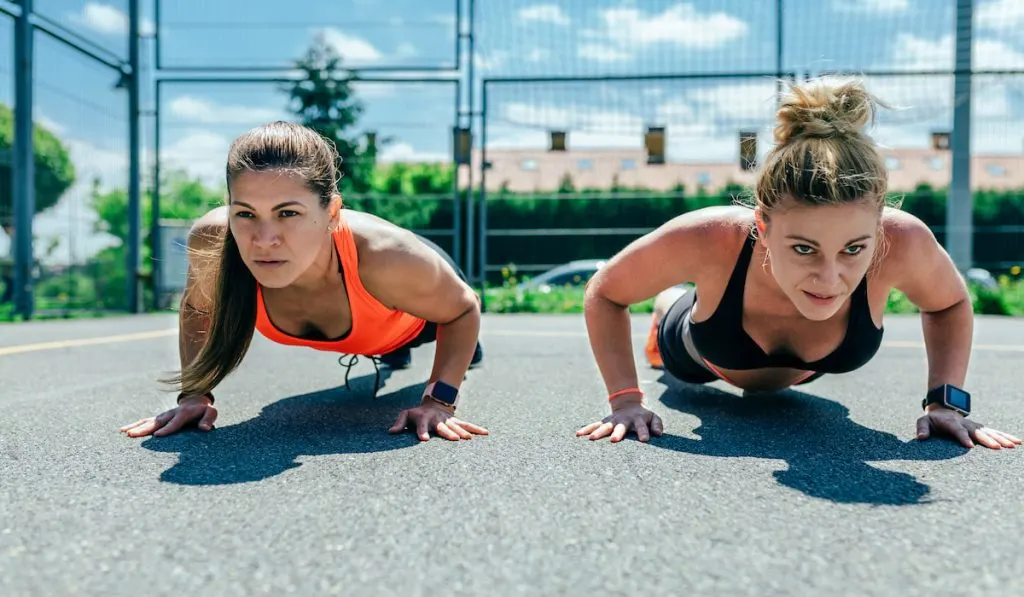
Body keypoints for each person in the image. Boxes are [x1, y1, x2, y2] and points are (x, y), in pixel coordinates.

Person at [576, 77, 1021, 451]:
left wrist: (946, 402)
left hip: (802, 375)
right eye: (804, 249)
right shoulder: (711, 237)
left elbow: (948, 304)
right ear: (763, 226)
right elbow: (607, 291)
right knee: (676, 333)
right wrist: (625, 400)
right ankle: (669, 306)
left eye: (853, 249)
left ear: (879, 227)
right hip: (701, 355)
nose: (830, 280)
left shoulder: (901, 241)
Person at [120, 121, 487, 442]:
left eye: (288, 213)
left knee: (457, 342)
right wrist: (194, 395)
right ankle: (388, 350)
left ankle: (426, 349)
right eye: (245, 213)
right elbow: (199, 309)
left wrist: (438, 401)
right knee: (381, 344)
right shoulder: (214, 244)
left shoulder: (388, 257)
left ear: (331, 213)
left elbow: (463, 308)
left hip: (414, 312)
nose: (264, 239)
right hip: (372, 326)